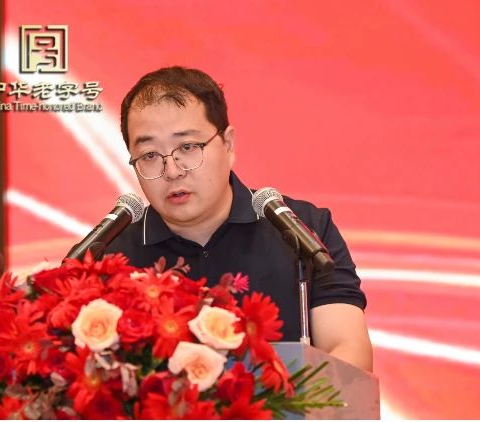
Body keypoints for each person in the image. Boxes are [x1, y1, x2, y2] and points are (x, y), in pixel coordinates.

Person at [106, 67, 373, 373]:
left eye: (188, 147)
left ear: (228, 145)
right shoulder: (112, 257)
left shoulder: (303, 230)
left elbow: (349, 352)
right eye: (150, 155)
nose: (172, 171)